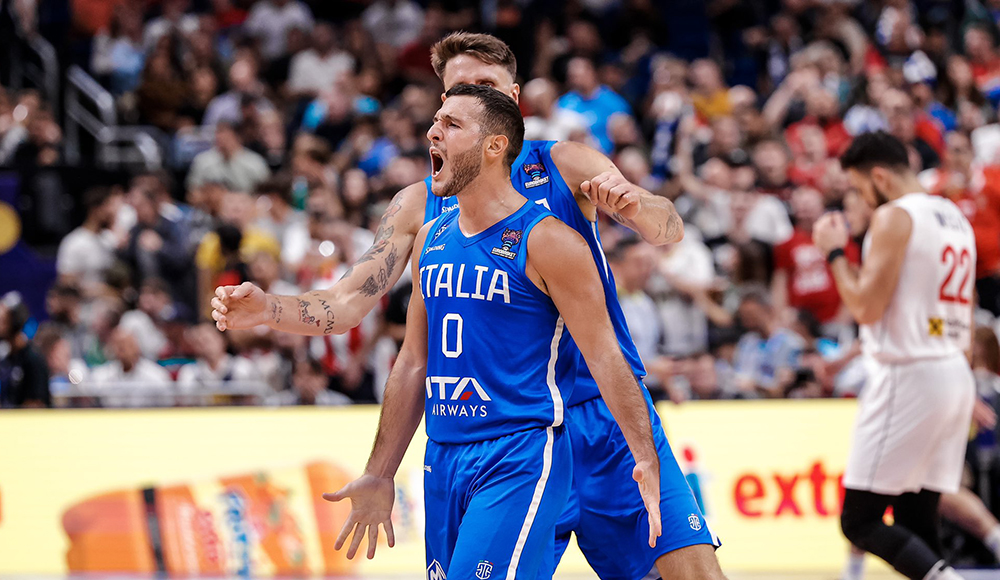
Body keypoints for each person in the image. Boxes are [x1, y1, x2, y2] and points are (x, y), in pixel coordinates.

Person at [211, 32, 723, 579]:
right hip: (503, 430)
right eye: (460, 89)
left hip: (603, 412)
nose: (474, 96)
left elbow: (667, 229)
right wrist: (272, 309)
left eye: (487, 86)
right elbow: (349, 304)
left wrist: (638, 206)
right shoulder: (421, 205)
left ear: (514, 97)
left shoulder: (566, 163)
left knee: (691, 572)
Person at [335, 84, 663, 576]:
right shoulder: (431, 237)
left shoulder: (551, 240)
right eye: (435, 120)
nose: (433, 131)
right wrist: (379, 472)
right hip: (443, 455)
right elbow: (413, 363)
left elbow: (604, 355)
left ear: (494, 147)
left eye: (452, 124)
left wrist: (645, 455)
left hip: (517, 451)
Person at [813, 131, 976, 580]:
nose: (861, 201)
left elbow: (865, 307)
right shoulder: (956, 217)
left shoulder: (895, 217)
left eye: (860, 189)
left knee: (859, 520)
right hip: (953, 369)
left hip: (910, 372)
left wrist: (832, 251)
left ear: (879, 177)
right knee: (915, 519)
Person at [0, 293, 50, 408]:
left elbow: (37, 405)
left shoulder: (33, 360)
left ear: (15, 322)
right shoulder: (6, 358)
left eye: (2, 321)